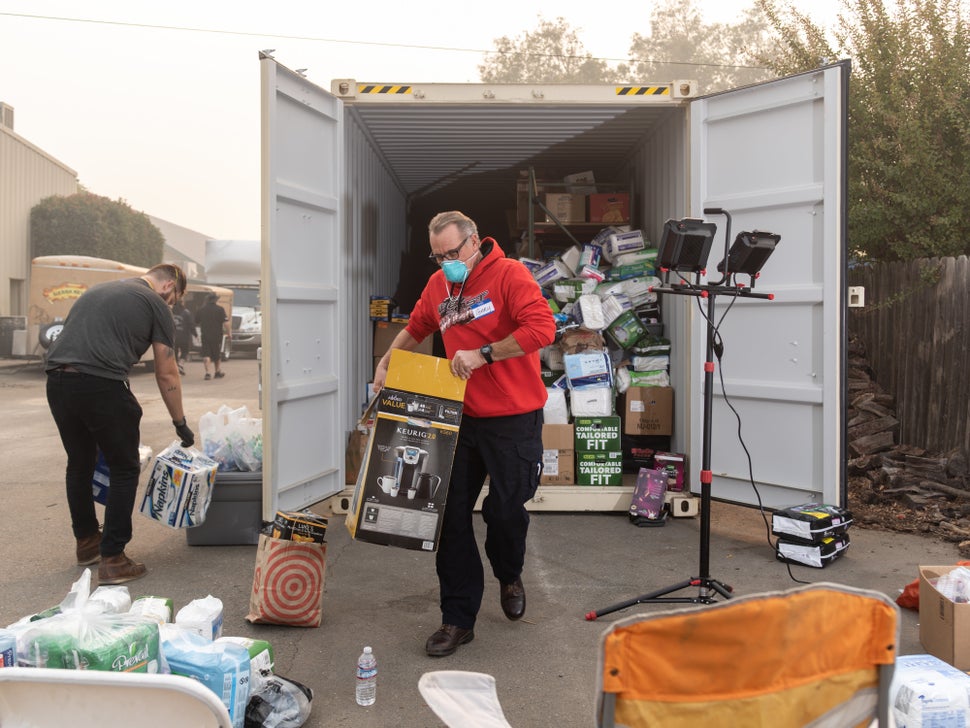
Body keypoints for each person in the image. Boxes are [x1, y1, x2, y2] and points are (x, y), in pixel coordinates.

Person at [373, 210, 556, 657]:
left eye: (452, 253)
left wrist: (486, 354)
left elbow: (542, 329)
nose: (446, 263)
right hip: (459, 417)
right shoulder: (440, 286)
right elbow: (417, 327)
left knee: (506, 511)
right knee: (449, 516)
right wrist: (387, 361)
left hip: (514, 418)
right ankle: (458, 618)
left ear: (474, 241)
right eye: (438, 257)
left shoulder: (510, 276)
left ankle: (508, 572)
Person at [45, 263, 195, 585]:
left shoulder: (98, 290)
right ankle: (113, 558)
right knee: (124, 467)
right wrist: (179, 422)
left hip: (57, 382)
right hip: (99, 384)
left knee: (80, 462)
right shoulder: (156, 303)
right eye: (174, 299)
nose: (171, 305)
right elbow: (166, 371)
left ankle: (87, 542)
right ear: (169, 286)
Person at [196, 293, 230, 380]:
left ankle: (207, 373)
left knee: (206, 354)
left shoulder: (201, 310)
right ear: (215, 300)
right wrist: (229, 333)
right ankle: (217, 371)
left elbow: (196, 321)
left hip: (205, 335)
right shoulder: (220, 309)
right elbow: (226, 323)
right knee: (216, 354)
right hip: (217, 335)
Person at [172, 300, 194, 375]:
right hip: (184, 337)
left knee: (174, 353)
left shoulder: (170, 312)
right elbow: (191, 325)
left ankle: (175, 368)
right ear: (182, 303)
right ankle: (180, 365)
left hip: (173, 337)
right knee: (185, 351)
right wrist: (195, 334)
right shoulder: (186, 312)